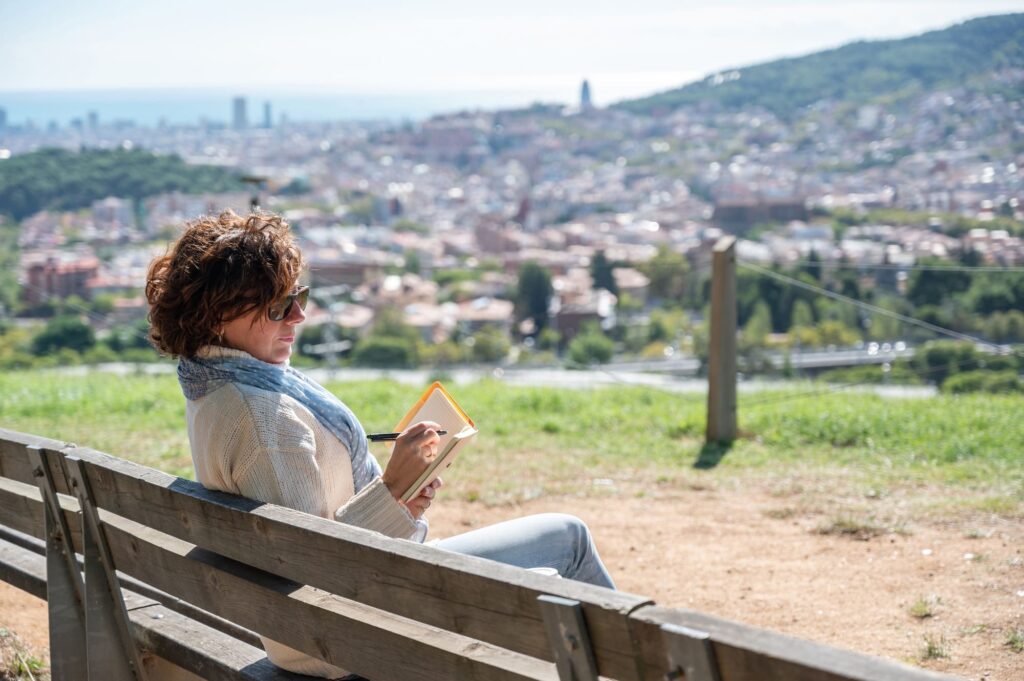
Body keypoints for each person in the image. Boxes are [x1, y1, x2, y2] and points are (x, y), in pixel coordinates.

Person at [145, 209, 615, 678]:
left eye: (296, 297)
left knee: (562, 538)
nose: (299, 315)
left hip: (317, 621)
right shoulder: (267, 418)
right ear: (217, 312)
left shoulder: (210, 385)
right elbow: (323, 574)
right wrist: (392, 490)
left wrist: (402, 502)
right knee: (566, 542)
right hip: (340, 639)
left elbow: (307, 549)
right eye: (276, 306)